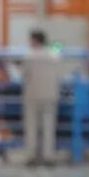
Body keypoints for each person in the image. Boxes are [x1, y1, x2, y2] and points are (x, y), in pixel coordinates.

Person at [22, 29, 61, 167]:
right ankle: (49, 157)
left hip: (33, 95)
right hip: (50, 95)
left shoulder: (29, 55)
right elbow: (59, 71)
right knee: (49, 128)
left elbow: (25, 73)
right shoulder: (54, 55)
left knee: (31, 127)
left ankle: (31, 156)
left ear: (35, 40)